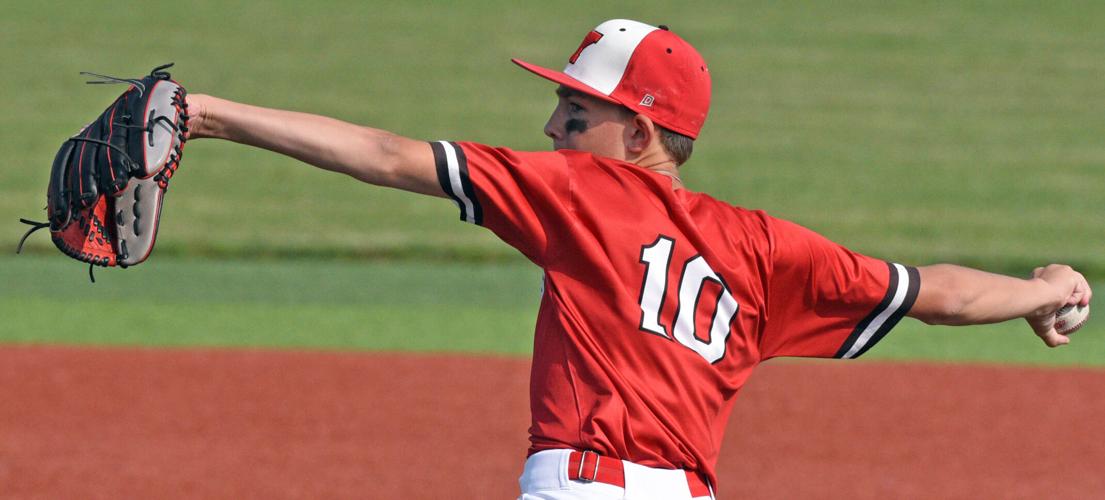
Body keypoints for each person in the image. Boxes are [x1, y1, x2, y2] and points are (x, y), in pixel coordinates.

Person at [184, 19, 1091, 500]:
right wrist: (1044, 288)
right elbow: (931, 293)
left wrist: (213, 114)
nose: (552, 128)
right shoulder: (764, 247)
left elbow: (387, 157)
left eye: (576, 113)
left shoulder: (578, 191)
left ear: (641, 128)